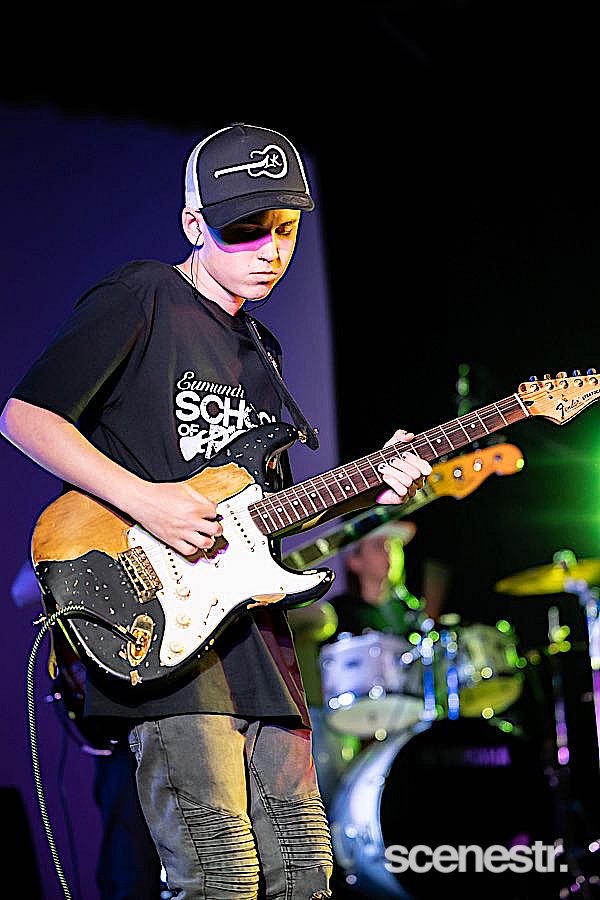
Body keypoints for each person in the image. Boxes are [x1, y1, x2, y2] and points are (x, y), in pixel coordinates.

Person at [0, 122, 432, 900]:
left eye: (285, 229)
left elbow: (263, 516)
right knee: (218, 875)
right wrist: (149, 502)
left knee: (305, 873)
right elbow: (25, 416)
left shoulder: (264, 351)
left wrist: (375, 483)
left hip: (260, 645)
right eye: (245, 230)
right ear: (193, 225)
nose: (271, 249)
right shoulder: (143, 295)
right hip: (169, 634)